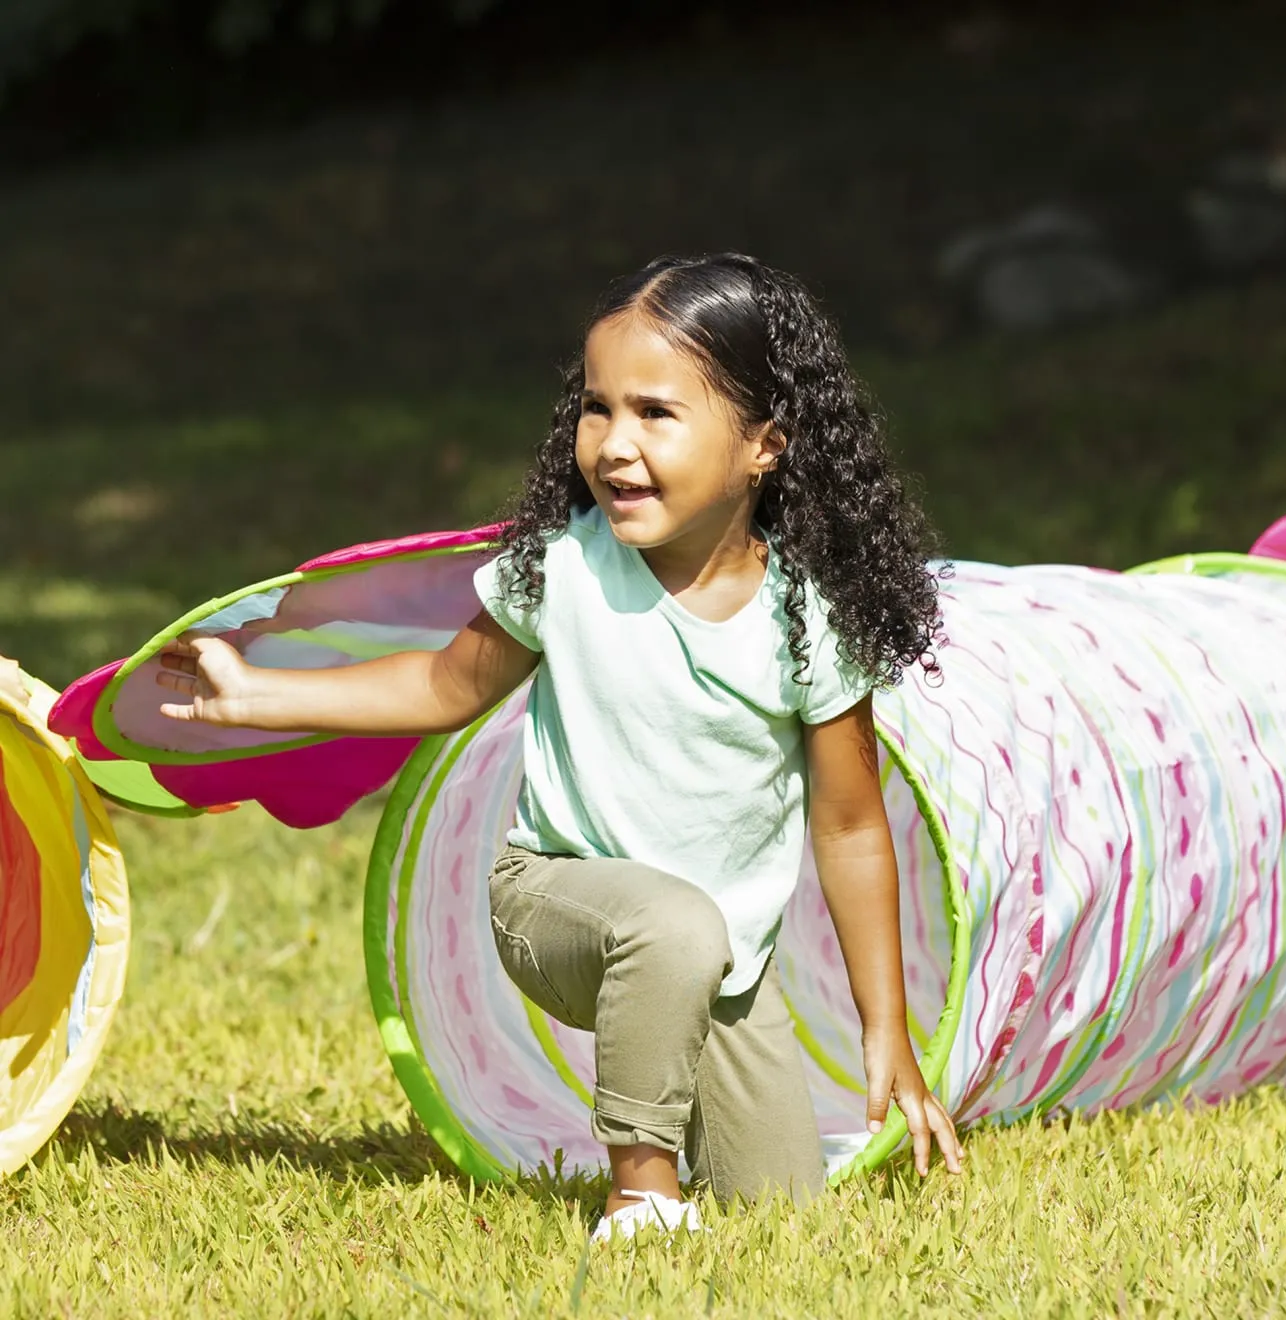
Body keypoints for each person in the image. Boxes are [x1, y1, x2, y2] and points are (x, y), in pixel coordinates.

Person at [155, 252, 966, 1240]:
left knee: (780, 1210)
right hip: (556, 903)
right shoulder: (564, 570)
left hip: (721, 967)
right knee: (670, 924)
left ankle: (695, 1167)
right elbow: (442, 686)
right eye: (597, 408)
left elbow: (850, 829)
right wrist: (256, 697)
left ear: (765, 444)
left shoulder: (808, 621)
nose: (614, 446)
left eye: (656, 414)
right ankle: (639, 1190)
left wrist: (889, 1027)